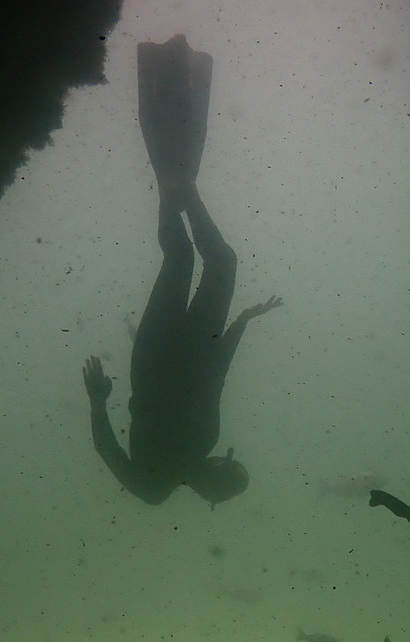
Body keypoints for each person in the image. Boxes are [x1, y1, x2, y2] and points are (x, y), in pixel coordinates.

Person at [83, 35, 281, 508]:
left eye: (224, 467)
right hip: (195, 348)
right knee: (220, 262)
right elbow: (216, 378)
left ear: (214, 480)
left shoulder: (154, 488)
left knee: (181, 259)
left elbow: (108, 450)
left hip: (156, 359)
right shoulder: (204, 443)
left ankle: (174, 188)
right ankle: (183, 189)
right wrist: (241, 323)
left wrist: (97, 402)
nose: (219, 459)